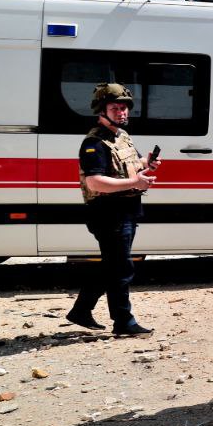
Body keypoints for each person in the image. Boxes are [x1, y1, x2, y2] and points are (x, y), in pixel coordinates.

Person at [67, 83, 159, 336]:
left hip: (127, 210)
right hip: (108, 213)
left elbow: (130, 166)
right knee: (121, 267)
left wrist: (147, 164)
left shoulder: (121, 136)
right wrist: (135, 182)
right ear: (102, 110)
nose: (122, 112)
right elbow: (94, 182)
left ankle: (81, 310)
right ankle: (123, 321)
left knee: (112, 265)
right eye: (115, 108)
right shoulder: (94, 143)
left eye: (125, 108)